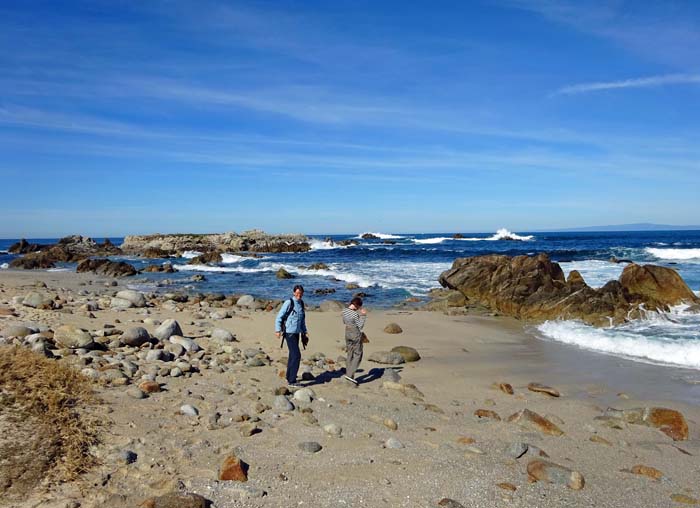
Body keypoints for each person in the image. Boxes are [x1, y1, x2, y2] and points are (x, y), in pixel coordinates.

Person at [275, 284, 308, 387]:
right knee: (297, 355)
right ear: (294, 293)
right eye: (297, 293)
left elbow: (302, 320)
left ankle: (289, 376)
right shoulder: (289, 302)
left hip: (297, 333)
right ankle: (292, 381)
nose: (299, 295)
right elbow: (279, 317)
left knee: (292, 355)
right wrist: (278, 330)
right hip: (289, 333)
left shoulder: (301, 304)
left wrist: (304, 331)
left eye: (301, 293)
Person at [342, 296, 367, 385]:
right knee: (358, 354)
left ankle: (348, 373)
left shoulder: (344, 311)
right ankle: (350, 374)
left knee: (350, 353)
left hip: (347, 332)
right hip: (355, 333)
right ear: (357, 306)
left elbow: (344, 322)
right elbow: (360, 326)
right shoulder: (355, 314)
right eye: (359, 307)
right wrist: (363, 316)